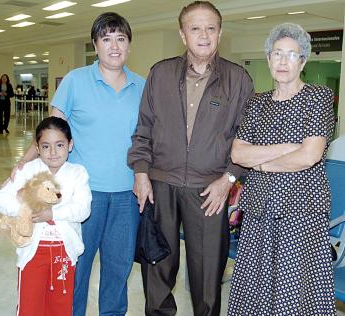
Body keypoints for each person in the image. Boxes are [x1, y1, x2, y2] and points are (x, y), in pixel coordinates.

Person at [11, 12, 145, 316]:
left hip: (127, 196)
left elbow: (148, 139)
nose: (114, 46)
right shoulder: (75, 81)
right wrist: (23, 163)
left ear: (129, 45)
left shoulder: (142, 86)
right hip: (82, 195)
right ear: (95, 45)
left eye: (120, 39)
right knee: (76, 268)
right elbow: (52, 132)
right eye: (106, 39)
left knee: (118, 268)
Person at [127, 1, 254, 315]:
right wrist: (141, 172)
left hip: (209, 189)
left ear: (220, 33)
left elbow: (247, 137)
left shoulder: (238, 79)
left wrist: (229, 179)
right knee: (157, 268)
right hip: (160, 185)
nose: (204, 35)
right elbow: (143, 127)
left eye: (211, 28)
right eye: (195, 28)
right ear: (182, 35)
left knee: (207, 274)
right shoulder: (160, 73)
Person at [228, 23, 336, 315]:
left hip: (300, 213)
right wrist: (288, 148)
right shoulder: (257, 103)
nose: (283, 61)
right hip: (259, 212)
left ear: (303, 61)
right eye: (277, 54)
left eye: (292, 55)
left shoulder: (318, 97)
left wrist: (260, 163)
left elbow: (309, 156)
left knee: (293, 293)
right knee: (254, 289)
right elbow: (238, 153)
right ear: (268, 58)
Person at [0, 116, 91, 315]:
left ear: (70, 145)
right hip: (32, 252)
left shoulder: (77, 173)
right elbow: (0, 198)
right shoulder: (27, 171)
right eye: (46, 146)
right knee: (30, 307)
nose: (53, 152)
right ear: (37, 148)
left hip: (64, 252)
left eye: (59, 145)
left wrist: (52, 213)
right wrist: (26, 209)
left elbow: (83, 209)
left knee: (60, 307)